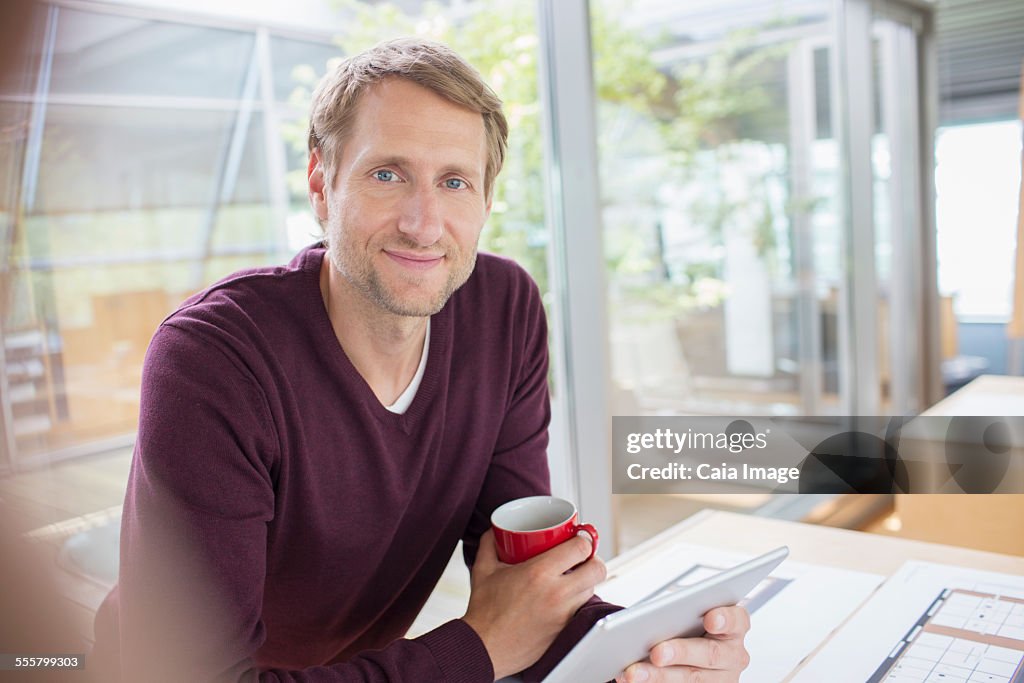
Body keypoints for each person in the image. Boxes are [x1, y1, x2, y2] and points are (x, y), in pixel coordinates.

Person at [89, 38, 750, 683]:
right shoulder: (214, 361)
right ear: (322, 182)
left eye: (455, 181)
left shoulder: (504, 309)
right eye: (387, 174)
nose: (424, 223)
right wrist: (476, 649)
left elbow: (524, 581)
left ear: (487, 200)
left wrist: (649, 653)